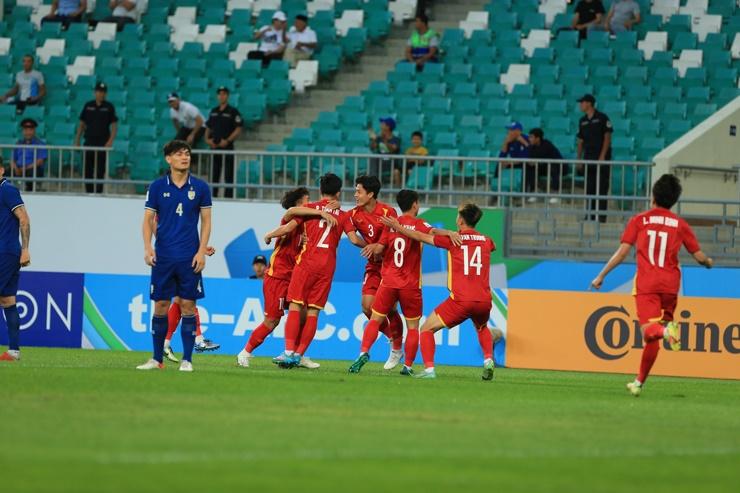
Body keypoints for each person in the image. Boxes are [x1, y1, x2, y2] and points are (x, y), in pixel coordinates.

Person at [590, 174, 713, 397]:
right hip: (671, 286)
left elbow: (622, 253)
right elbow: (698, 256)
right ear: (673, 200)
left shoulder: (639, 220)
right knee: (652, 337)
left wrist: (601, 275)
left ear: (653, 196)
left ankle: (668, 332)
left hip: (648, 283)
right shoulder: (681, 225)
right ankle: (639, 382)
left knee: (650, 330)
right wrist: (708, 262)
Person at [350, 189, 461, 375]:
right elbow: (433, 231)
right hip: (410, 285)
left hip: (388, 282)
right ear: (415, 204)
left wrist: (372, 247)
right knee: (413, 328)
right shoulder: (419, 223)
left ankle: (363, 352)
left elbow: (380, 249)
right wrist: (450, 232)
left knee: (375, 320)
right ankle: (407, 366)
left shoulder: (391, 224)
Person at [380, 202, 496, 380]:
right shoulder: (487, 240)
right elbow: (488, 246)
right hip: (484, 300)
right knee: (481, 328)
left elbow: (419, 236)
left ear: (460, 220)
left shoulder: (453, 241)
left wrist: (396, 226)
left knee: (426, 329)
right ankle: (488, 360)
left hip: (461, 300)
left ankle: (429, 370)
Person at [237, 187, 340, 369]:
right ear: (300, 203)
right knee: (272, 321)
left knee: (302, 316)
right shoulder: (294, 217)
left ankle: (297, 355)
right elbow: (289, 216)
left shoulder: (310, 222)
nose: (311, 202)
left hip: (296, 276)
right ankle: (245, 352)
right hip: (278, 276)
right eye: (307, 199)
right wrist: (270, 234)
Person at [271, 173, 367, 368]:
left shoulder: (309, 208)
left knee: (296, 307)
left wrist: (270, 235)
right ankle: (299, 355)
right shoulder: (344, 215)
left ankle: (288, 351)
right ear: (339, 192)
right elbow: (355, 240)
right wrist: (373, 248)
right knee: (314, 312)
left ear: (320, 191)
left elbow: (289, 225)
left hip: (306, 262)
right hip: (327, 267)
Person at [137, 140, 212, 372]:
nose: (185, 157)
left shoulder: (200, 187)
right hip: (164, 257)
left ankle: (187, 360)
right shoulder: (157, 187)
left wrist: (201, 251)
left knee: (188, 305)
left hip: (190, 258)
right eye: (179, 154)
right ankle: (156, 359)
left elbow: (207, 221)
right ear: (168, 159)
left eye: (187, 153)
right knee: (160, 305)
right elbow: (148, 220)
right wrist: (148, 247)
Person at [349, 176, 405, 370]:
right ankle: (391, 337)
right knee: (367, 307)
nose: (355, 195)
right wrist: (370, 246)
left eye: (359, 191)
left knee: (389, 309)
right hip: (373, 266)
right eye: (355, 191)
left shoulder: (388, 212)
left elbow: (386, 243)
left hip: (391, 266)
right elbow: (354, 239)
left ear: (371, 194)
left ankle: (397, 348)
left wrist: (376, 247)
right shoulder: (353, 214)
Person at [162, 247, 220, 363]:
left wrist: (201, 249)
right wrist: (201, 249)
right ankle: (199, 340)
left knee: (180, 300)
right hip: (181, 261)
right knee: (188, 300)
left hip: (177, 259)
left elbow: (182, 238)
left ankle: (165, 343)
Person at [0, 159, 32, 362]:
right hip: (7, 251)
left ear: (1, 170)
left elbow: (24, 218)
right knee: (7, 300)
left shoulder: (8, 190)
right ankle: (13, 351)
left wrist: (26, 249)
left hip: (5, 252)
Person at [75, 82, 118, 194]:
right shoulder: (88, 105)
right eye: (99, 91)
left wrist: (110, 141)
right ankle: (88, 192)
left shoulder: (109, 107)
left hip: (102, 143)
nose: (101, 94)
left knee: (100, 170)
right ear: (95, 92)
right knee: (87, 170)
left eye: (103, 92)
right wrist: (77, 139)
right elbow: (82, 124)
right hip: (89, 141)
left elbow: (114, 125)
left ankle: (98, 192)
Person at [576, 94, 612, 223]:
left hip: (601, 159)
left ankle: (601, 217)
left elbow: (607, 137)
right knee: (589, 188)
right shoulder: (582, 121)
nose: (580, 105)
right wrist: (579, 159)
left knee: (601, 187)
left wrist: (602, 156)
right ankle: (590, 215)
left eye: (582, 102)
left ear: (589, 103)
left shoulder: (602, 118)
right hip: (588, 158)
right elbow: (580, 141)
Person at [205, 87, 243, 199]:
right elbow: (208, 126)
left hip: (227, 148)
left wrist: (227, 141)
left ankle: (228, 198)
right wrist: (207, 139)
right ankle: (213, 196)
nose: (222, 96)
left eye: (224, 94)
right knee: (214, 174)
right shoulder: (214, 111)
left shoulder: (232, 111)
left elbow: (238, 128)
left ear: (227, 96)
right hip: (214, 147)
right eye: (220, 94)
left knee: (228, 174)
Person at [528, 128, 563, 204]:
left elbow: (555, 159)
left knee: (553, 167)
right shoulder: (531, 147)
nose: (529, 139)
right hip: (542, 167)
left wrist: (539, 162)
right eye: (529, 137)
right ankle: (535, 192)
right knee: (530, 169)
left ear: (538, 138)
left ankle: (555, 194)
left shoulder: (547, 145)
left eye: (531, 137)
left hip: (556, 166)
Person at [11, 119, 47, 193]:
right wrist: (16, 168)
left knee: (32, 173)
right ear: (23, 131)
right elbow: (12, 159)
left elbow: (40, 161)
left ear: (34, 131)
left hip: (31, 168)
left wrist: (25, 168)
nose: (28, 132)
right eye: (26, 130)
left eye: (30, 130)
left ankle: (29, 191)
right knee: (4, 172)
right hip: (18, 169)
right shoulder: (18, 143)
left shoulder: (40, 144)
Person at [497, 122, 530, 201]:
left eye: (511, 130)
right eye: (509, 130)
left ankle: (523, 194)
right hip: (514, 163)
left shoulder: (526, 139)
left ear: (518, 131)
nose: (509, 132)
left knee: (527, 169)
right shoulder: (510, 141)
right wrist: (505, 143)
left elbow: (527, 156)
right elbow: (501, 157)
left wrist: (524, 142)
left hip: (525, 164)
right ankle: (497, 189)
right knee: (500, 165)